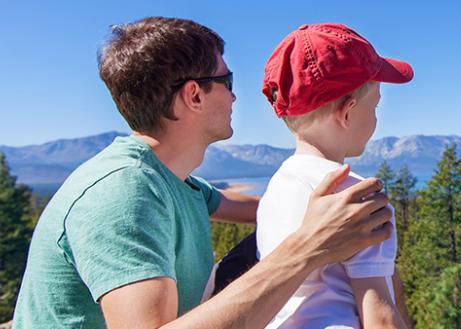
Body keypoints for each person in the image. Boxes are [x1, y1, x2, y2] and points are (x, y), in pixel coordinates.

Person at [13, 17, 392, 329]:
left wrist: (332, 209)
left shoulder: (175, 181)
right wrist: (307, 249)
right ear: (194, 95)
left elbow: (251, 205)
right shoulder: (121, 194)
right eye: (226, 82)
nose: (235, 96)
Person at [255, 23, 413, 329]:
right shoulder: (356, 197)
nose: (376, 117)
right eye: (375, 105)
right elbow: (379, 317)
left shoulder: (278, 187)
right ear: (347, 113)